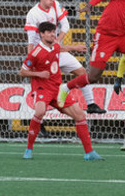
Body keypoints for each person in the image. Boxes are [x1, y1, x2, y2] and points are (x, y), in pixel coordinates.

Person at [19, 21, 103, 161]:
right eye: (50, 32)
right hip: (42, 88)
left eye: (54, 32)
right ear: (42, 34)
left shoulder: (55, 46)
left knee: (80, 115)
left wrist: (75, 48)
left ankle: (89, 152)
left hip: (57, 89)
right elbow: (22, 72)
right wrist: (39, 74)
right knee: (40, 112)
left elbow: (61, 48)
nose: (54, 34)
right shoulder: (35, 53)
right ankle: (28, 149)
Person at [24, 0, 105, 115]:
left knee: (82, 72)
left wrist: (57, 40)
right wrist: (31, 59)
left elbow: (65, 25)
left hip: (58, 51)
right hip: (43, 56)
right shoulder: (33, 14)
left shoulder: (55, 5)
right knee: (42, 89)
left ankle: (91, 104)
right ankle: (39, 121)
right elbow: (31, 41)